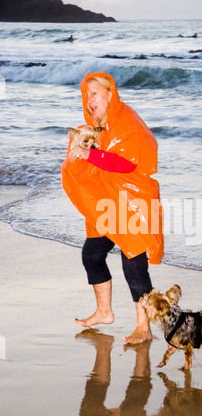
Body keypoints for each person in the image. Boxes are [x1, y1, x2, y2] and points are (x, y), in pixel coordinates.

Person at [61, 72, 163, 344]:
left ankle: (144, 326)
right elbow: (94, 162)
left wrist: (90, 154)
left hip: (133, 200)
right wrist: (79, 153)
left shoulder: (126, 120)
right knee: (92, 254)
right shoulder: (97, 127)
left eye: (95, 93)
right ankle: (104, 311)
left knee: (133, 262)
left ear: (110, 93)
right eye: (87, 95)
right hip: (109, 200)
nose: (90, 100)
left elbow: (128, 163)